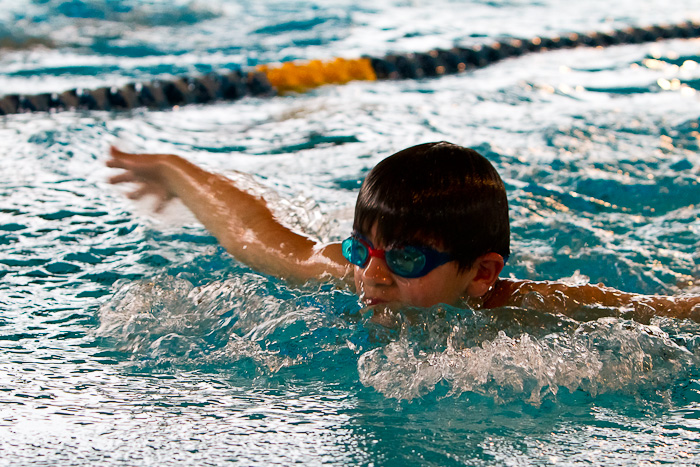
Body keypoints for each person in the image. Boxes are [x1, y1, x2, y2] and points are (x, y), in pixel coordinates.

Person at [106, 142, 700, 321]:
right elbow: (256, 238)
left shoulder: (523, 309)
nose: (373, 275)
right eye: (362, 249)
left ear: (481, 273)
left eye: (407, 260)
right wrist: (173, 170)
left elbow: (667, 314)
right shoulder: (350, 271)